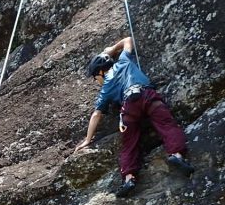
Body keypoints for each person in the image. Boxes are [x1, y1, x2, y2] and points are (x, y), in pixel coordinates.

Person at [74, 36, 194, 196]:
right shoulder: (124, 60)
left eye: (96, 77)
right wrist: (112, 49)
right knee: (167, 125)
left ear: (101, 72)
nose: (97, 81)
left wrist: (87, 140)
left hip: (129, 106)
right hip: (147, 95)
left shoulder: (106, 87)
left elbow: (96, 114)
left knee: (130, 142)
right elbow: (127, 40)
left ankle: (129, 178)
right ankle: (176, 155)